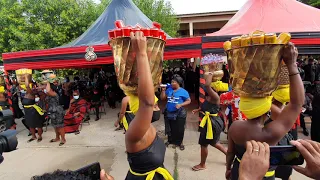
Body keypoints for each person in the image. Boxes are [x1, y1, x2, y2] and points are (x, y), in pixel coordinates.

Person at [226, 43, 304, 180]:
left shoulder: (234, 127)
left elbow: (230, 152)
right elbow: (296, 104)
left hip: (238, 171)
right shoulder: (271, 133)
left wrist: (228, 169)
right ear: (266, 109)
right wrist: (291, 65)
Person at [124, 31, 173, 179]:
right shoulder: (133, 134)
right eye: (155, 106)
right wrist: (141, 53)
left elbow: (148, 102)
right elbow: (147, 102)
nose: (157, 108)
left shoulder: (148, 126)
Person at [191, 72, 227, 171]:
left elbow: (206, 86)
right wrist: (198, 110)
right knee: (214, 142)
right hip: (211, 122)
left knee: (204, 144)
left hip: (212, 123)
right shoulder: (209, 97)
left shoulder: (216, 97)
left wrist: (210, 74)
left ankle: (202, 164)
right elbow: (207, 107)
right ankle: (229, 155)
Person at [161, 74, 191, 151]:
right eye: (171, 82)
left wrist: (181, 104)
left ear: (178, 83)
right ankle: (170, 140)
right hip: (169, 112)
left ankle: (180, 142)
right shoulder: (169, 90)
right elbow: (162, 98)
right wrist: (163, 90)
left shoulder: (183, 91)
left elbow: (188, 100)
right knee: (169, 127)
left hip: (179, 113)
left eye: (173, 82)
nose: (171, 83)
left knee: (179, 128)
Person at [22, 75, 44, 143]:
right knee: (30, 125)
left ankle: (40, 136)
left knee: (38, 124)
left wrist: (26, 78)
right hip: (27, 111)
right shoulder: (27, 92)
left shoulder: (31, 93)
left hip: (33, 110)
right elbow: (24, 86)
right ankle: (33, 136)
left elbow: (27, 86)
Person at [46, 81, 66, 146]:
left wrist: (48, 81)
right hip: (52, 112)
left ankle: (63, 139)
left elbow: (48, 91)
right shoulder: (49, 94)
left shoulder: (54, 94)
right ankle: (57, 138)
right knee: (55, 126)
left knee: (60, 126)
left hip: (58, 111)